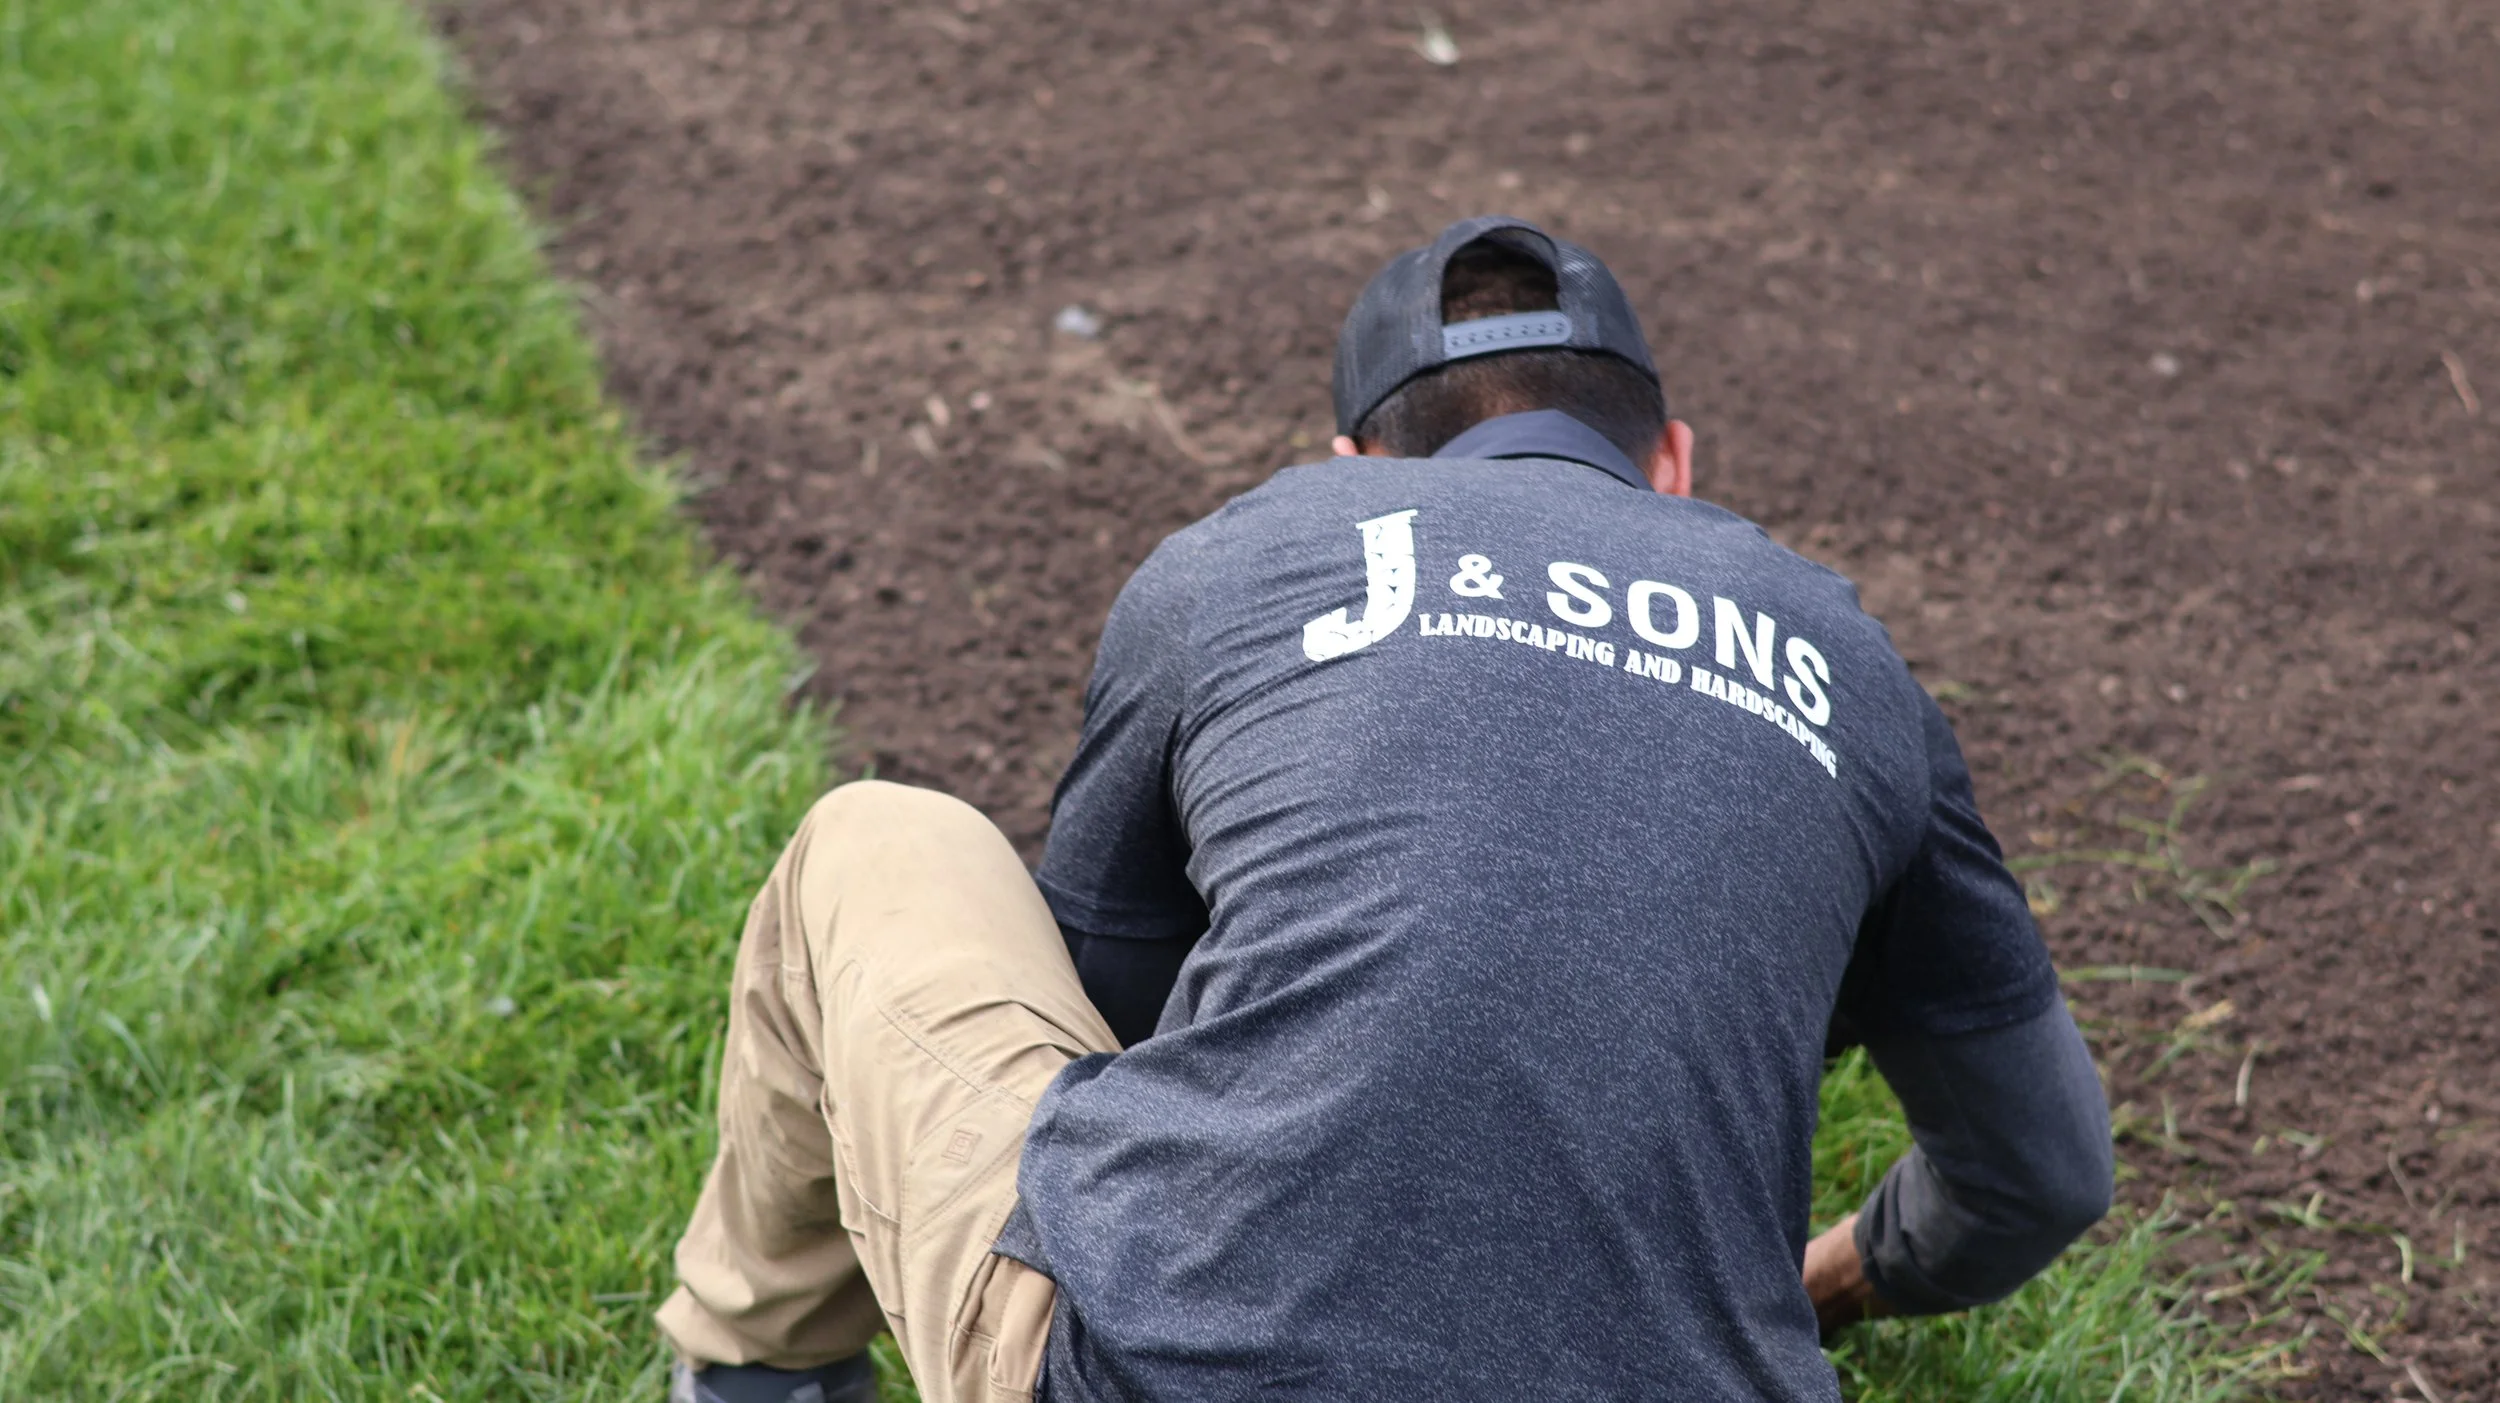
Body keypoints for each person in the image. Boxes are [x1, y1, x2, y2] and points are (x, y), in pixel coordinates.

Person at [658, 216, 2114, 1403]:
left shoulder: (1256, 551)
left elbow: (1102, 1015)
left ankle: (759, 1378)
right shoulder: (1845, 660)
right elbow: (2041, 1171)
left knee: (883, 841)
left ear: (1353, 474)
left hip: (1168, 1376)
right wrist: (1825, 1278)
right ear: (1672, 467)